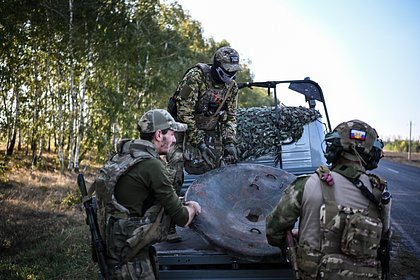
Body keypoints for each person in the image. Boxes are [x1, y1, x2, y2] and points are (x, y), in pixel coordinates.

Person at [266, 119, 392, 279]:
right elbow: (382, 240)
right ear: (373, 155)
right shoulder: (380, 192)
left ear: (332, 148)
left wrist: (298, 241)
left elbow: (273, 231)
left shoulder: (307, 184)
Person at [96, 109, 201, 279]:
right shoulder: (152, 165)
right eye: (172, 134)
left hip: (116, 244)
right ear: (159, 135)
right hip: (131, 254)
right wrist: (193, 207)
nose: (174, 140)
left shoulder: (125, 155)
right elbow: (182, 219)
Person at [165, 46, 242, 242]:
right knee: (174, 175)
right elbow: (184, 114)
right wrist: (198, 143)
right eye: (227, 72)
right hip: (181, 130)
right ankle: (168, 226)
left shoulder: (231, 87)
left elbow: (230, 118)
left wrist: (230, 142)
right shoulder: (196, 77)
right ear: (217, 67)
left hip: (209, 130)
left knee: (220, 174)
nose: (231, 76)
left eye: (234, 72)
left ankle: (217, 224)